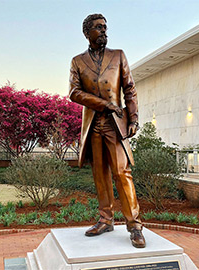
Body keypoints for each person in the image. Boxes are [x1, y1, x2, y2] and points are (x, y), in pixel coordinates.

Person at [69, 14, 145, 248]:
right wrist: (104, 104)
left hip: (115, 124)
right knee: (99, 174)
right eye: (98, 28)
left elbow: (129, 89)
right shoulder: (77, 61)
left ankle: (134, 226)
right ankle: (106, 219)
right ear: (87, 32)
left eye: (105, 27)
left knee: (122, 173)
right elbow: (73, 92)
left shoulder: (118, 55)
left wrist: (133, 118)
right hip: (93, 125)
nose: (103, 31)